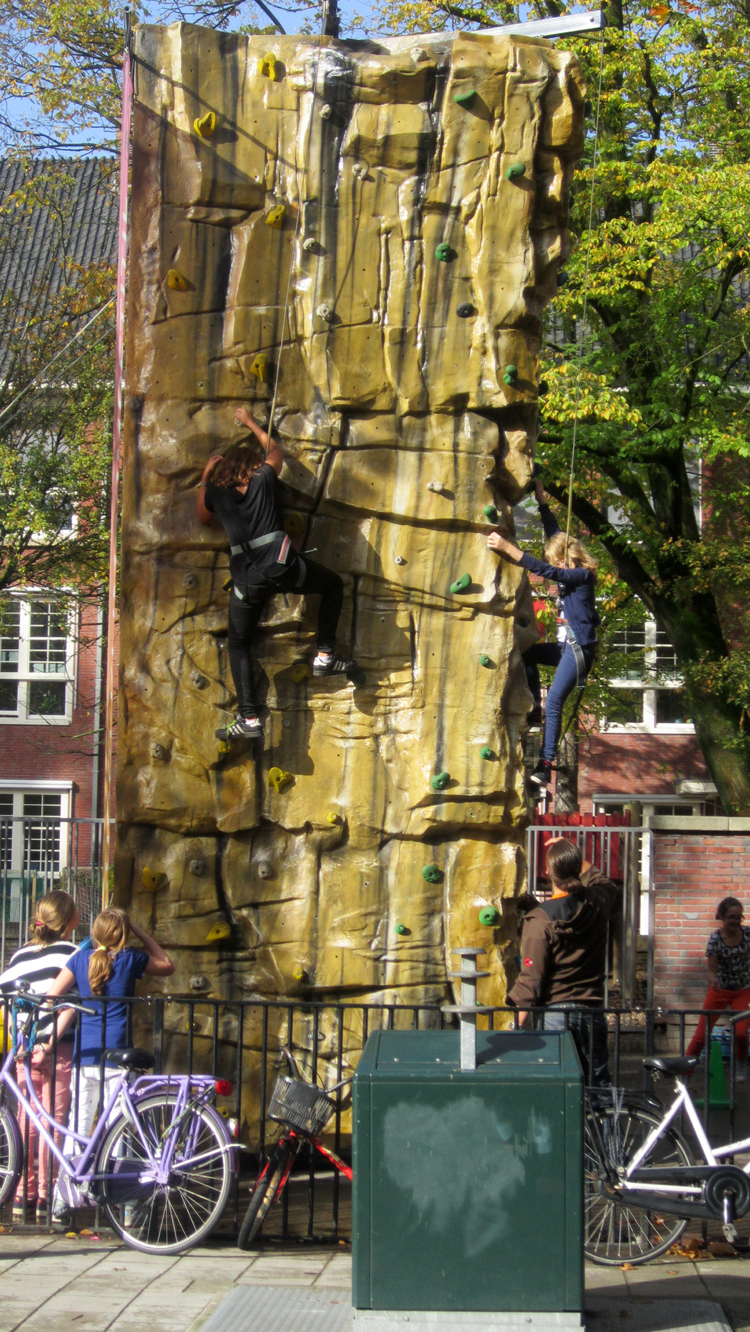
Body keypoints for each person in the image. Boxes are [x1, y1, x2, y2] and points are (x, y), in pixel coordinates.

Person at [196, 407, 358, 742]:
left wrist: (206, 474)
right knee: (331, 586)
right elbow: (275, 451)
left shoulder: (217, 493)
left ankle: (250, 719)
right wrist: (252, 422)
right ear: (251, 467)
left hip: (248, 581)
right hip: (282, 566)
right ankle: (325, 655)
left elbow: (202, 516)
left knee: (239, 643)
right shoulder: (262, 479)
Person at [45, 907, 174, 1229]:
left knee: (78, 1126)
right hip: (117, 1057)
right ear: (124, 935)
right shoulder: (130, 959)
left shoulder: (79, 960)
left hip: (86, 1056)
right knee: (120, 1129)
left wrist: (88, 944)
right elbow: (167, 965)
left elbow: (51, 995)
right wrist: (142, 932)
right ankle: (126, 1207)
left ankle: (64, 1201)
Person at [488, 478, 599, 790]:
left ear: (570, 557)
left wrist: (509, 549)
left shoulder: (582, 575)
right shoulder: (569, 564)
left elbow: (551, 571)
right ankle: (533, 705)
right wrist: (541, 502)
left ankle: (546, 763)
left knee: (556, 704)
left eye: (559, 560)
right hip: (566, 648)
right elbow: (555, 534)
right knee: (529, 654)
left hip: (579, 651)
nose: (556, 565)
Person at [509, 837, 616, 1086]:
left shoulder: (539, 920)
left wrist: (515, 1025)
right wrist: (573, 853)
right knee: (599, 1089)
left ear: (547, 872)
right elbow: (604, 882)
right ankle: (607, 1126)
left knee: (559, 1091)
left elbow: (530, 980)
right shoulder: (598, 903)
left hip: (555, 1016)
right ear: (577, 868)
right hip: (593, 1013)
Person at [0, 890, 80, 1224]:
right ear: (70, 920)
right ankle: (47, 1195)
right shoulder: (72, 954)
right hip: (56, 1047)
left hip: (23, 1047)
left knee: (26, 1121)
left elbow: (5, 999)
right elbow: (72, 1003)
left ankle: (21, 1194)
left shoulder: (19, 956)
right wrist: (51, 1040)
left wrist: (18, 1039)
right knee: (53, 1122)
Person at [686, 897, 750, 1080]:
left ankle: (741, 1064)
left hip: (743, 989)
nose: (735, 921)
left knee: (741, 1033)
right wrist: (713, 981)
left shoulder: (748, 935)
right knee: (701, 1035)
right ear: (722, 916)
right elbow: (711, 970)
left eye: (739, 917)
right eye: (731, 917)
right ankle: (686, 1072)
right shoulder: (715, 939)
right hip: (720, 990)